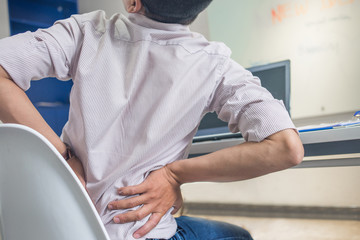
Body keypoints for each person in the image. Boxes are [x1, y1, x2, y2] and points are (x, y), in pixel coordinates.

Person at [0, 0, 304, 239]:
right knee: (237, 236)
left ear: (134, 2)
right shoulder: (217, 65)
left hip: (58, 228)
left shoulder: (86, 31)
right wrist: (176, 175)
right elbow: (286, 148)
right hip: (141, 233)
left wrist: (62, 157)